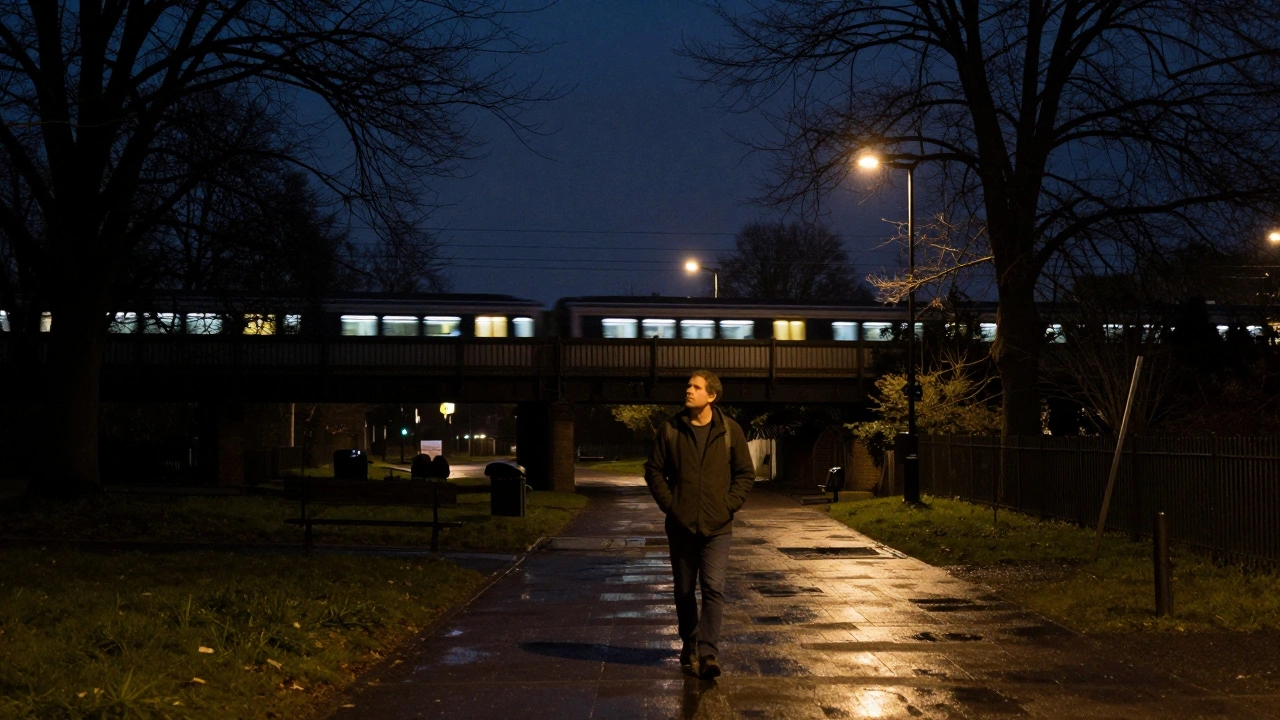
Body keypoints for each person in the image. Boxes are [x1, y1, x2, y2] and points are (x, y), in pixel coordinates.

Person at [643, 370, 755, 679]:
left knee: (713, 588)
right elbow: (653, 471)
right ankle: (689, 643)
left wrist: (727, 505)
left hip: (718, 527)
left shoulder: (730, 431)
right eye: (688, 386)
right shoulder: (671, 429)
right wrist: (672, 506)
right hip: (681, 527)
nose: (688, 390)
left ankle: (708, 653)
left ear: (712, 395)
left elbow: (745, 474)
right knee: (683, 590)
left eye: (696, 387)